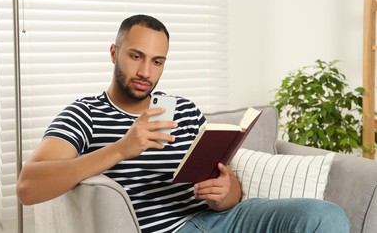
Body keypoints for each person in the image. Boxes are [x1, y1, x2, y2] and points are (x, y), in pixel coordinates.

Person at [17, 14, 350, 233]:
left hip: (221, 218)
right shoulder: (84, 114)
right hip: (169, 229)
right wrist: (122, 148)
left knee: (326, 216)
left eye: (157, 61)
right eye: (136, 56)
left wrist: (225, 193)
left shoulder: (186, 110)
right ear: (113, 52)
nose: (146, 72)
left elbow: (229, 186)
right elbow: (28, 187)